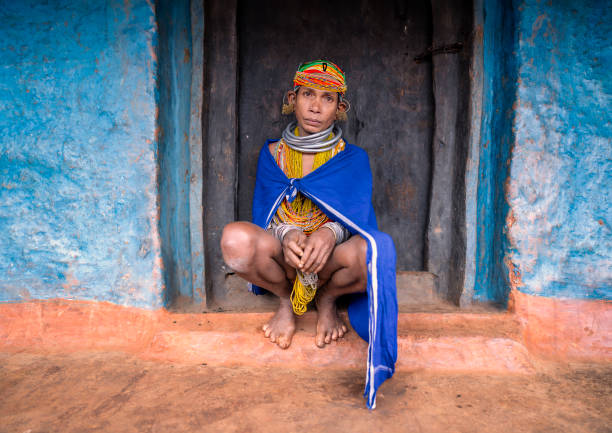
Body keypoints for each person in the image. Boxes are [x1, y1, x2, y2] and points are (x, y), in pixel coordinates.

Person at [220, 60, 397, 409]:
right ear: (292, 98)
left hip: (329, 260)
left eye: (327, 99)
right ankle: (287, 301)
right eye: (307, 95)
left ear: (339, 109)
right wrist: (287, 235)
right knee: (235, 240)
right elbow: (266, 214)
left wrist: (330, 233)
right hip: (286, 257)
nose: (316, 106)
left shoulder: (353, 158)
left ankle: (327, 300)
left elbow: (357, 217)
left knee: (375, 251)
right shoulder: (273, 153)